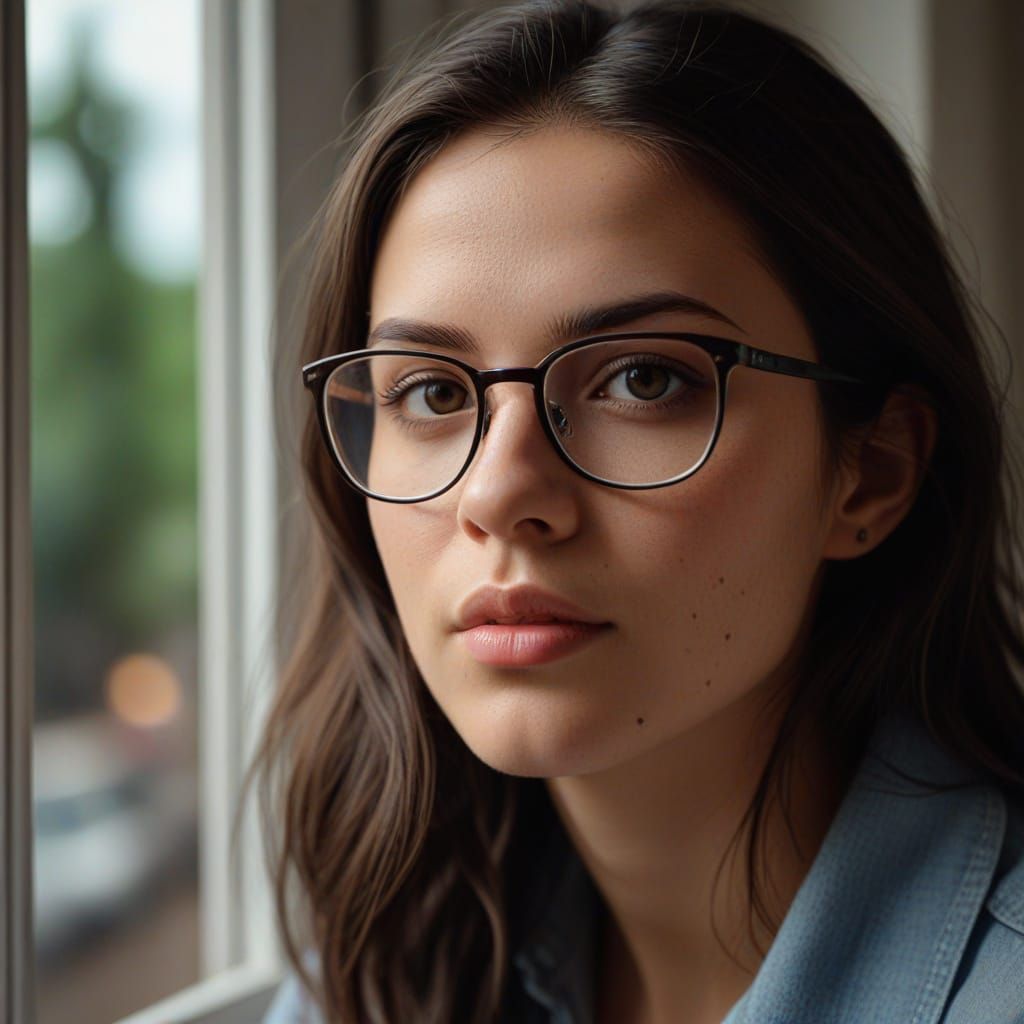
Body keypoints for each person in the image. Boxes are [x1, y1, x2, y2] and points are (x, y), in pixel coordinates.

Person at [250, 1, 1024, 1021]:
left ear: (871, 470)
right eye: (432, 393)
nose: (498, 492)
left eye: (644, 380)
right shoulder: (385, 973)